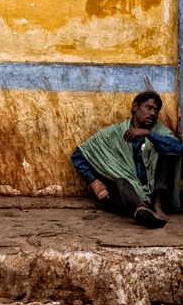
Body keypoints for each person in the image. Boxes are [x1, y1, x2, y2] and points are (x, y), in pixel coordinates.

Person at [71, 91, 181, 229]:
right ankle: (141, 210)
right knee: (119, 182)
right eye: (149, 108)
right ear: (135, 107)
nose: (153, 113)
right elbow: (79, 155)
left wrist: (148, 134)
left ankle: (157, 206)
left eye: (156, 110)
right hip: (126, 194)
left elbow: (177, 148)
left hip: (154, 193)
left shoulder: (158, 131)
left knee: (168, 150)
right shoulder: (114, 133)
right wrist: (96, 184)